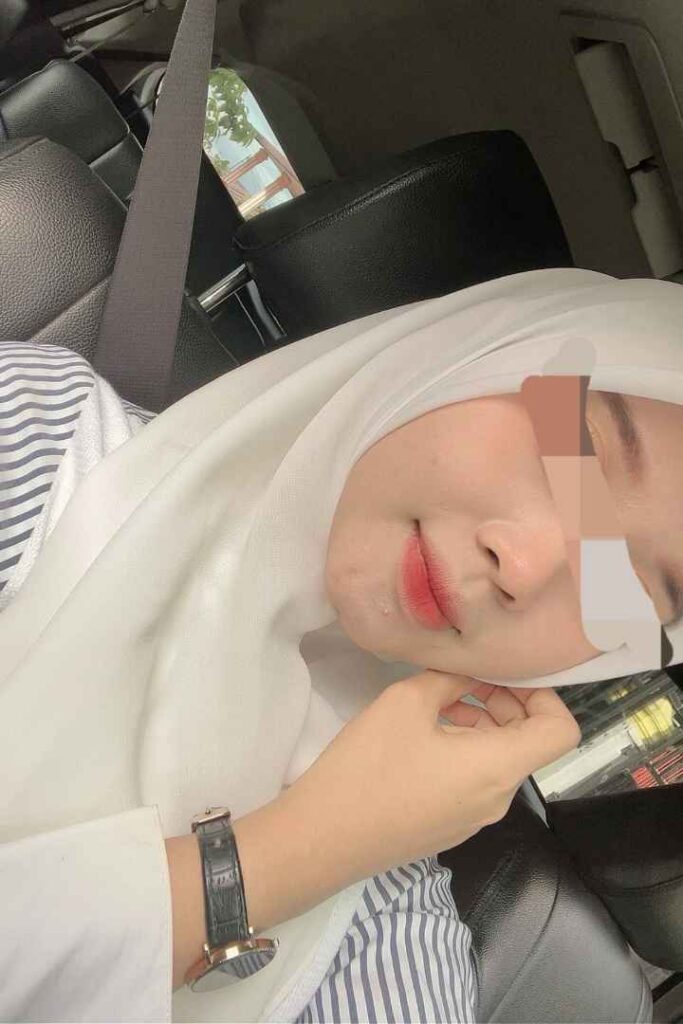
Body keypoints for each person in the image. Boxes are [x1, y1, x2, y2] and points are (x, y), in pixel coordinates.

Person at [0, 267, 680, 1023]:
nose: (523, 566)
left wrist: (343, 847)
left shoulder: (390, 955)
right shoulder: (37, 437)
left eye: (629, 584)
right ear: (478, 350)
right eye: (578, 450)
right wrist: (291, 856)